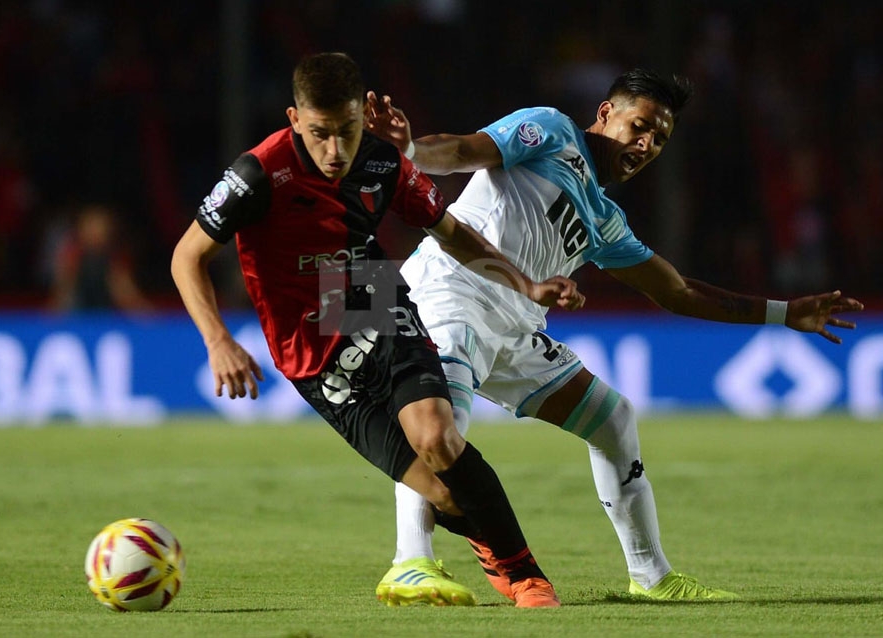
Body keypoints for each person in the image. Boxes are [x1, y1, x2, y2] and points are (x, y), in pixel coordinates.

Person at [364, 68, 865, 602]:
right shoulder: (551, 130)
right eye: (640, 126)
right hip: (449, 294)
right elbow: (463, 150)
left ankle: (652, 577)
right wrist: (410, 149)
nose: (646, 144)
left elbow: (677, 291)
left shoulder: (605, 220)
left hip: (515, 328)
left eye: (659, 139)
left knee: (613, 418)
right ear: (605, 114)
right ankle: (411, 561)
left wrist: (784, 313)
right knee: (440, 422)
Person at [170, 52, 588, 608]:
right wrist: (218, 339)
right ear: (294, 119)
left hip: (367, 292)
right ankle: (494, 551)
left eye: (347, 131)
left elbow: (452, 232)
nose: (335, 150)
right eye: (320, 134)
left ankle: (527, 578)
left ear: (359, 117)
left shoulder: (382, 162)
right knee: (440, 493)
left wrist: (527, 286)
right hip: (307, 349)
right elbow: (187, 256)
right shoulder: (257, 174)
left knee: (437, 436)